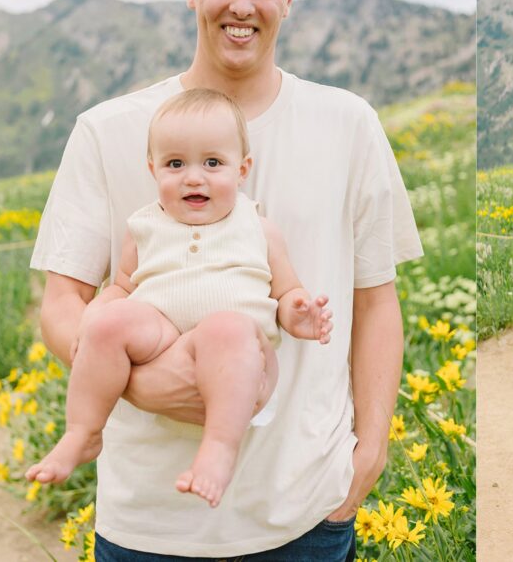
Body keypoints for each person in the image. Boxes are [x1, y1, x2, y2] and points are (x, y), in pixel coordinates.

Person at [31, 0, 422, 560]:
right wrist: (138, 380)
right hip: (149, 523)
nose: (243, 5)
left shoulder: (349, 123)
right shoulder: (107, 129)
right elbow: (62, 303)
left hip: (303, 512)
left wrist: (370, 450)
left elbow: (374, 300)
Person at [25, 88, 334, 509]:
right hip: (164, 334)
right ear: (152, 168)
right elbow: (123, 286)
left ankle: (220, 448)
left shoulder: (258, 228)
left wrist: (298, 313)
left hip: (237, 344)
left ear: (241, 169)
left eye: (212, 163)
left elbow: (285, 291)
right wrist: (100, 308)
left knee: (226, 327)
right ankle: (82, 432)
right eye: (175, 164)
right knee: (109, 322)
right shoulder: (144, 227)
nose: (193, 177)